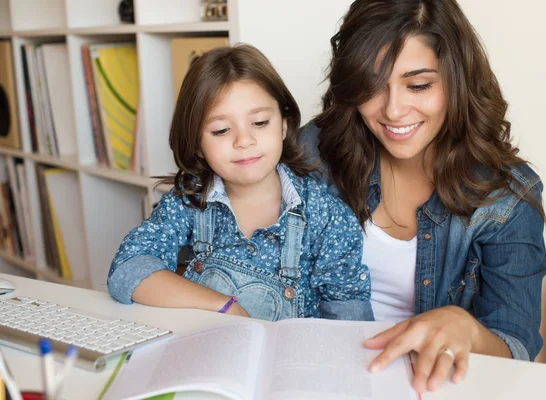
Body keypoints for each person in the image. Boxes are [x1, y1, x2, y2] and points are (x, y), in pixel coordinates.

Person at [301, 0, 546, 393]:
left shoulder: (506, 196)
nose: (394, 110)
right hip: (317, 375)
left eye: (418, 85)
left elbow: (516, 346)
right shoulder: (316, 153)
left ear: (457, 80)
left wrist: (466, 328)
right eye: (372, 87)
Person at [107, 44, 373, 322]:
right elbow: (128, 269)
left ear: (283, 124)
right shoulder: (189, 202)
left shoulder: (327, 216)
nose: (244, 141)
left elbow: (348, 319)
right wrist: (222, 305)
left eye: (259, 122)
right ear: (197, 143)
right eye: (221, 130)